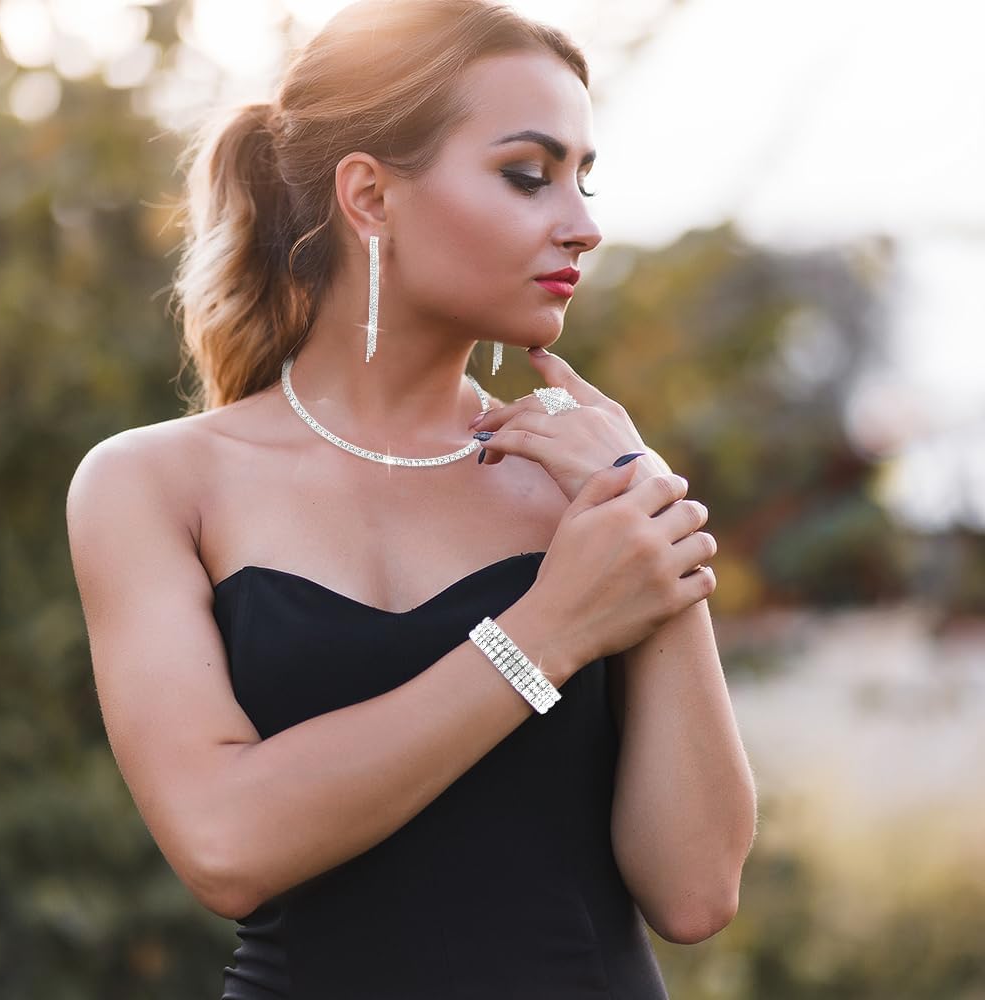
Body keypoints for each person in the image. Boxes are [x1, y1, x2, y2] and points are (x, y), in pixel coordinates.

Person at [65, 1, 757, 996]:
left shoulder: (590, 476)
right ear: (369, 196)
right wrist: (551, 628)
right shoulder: (154, 484)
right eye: (528, 175)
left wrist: (646, 515)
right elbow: (225, 844)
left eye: (584, 178)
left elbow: (694, 893)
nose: (584, 225)